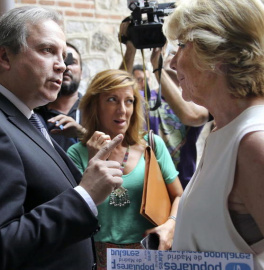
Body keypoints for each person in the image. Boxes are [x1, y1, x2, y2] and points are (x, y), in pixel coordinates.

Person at [0, 6, 124, 270]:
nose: (62, 65)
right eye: (47, 50)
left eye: (64, 55)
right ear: (4, 56)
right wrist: (85, 195)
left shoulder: (30, 119)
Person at [163, 0, 264, 268]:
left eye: (182, 46)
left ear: (217, 55)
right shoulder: (224, 128)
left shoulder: (255, 141)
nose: (173, 62)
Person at [67, 69, 183, 270]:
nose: (122, 110)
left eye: (129, 101)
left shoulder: (152, 145)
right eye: (112, 100)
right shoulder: (76, 154)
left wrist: (170, 225)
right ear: (95, 105)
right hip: (97, 261)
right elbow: (73, 212)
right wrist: (95, 161)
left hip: (151, 257)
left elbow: (180, 196)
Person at [119, 24, 209, 188]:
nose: (173, 58)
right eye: (170, 53)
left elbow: (193, 116)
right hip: (144, 187)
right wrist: (131, 47)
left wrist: (157, 66)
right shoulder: (144, 97)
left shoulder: (197, 98)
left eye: (177, 52)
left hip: (182, 186)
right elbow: (117, 92)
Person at [35, 42, 85, 151]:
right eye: (63, 60)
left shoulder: (94, 108)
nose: (66, 67)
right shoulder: (34, 112)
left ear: (81, 73)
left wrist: (83, 134)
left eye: (72, 61)